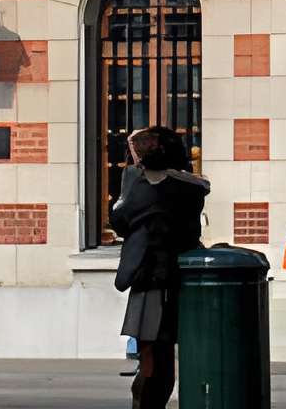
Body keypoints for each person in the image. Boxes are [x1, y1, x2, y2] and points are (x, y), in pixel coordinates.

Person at [108, 126, 208, 409]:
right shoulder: (193, 186)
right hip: (181, 278)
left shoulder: (139, 183)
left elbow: (120, 220)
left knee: (150, 356)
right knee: (168, 355)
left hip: (149, 278)